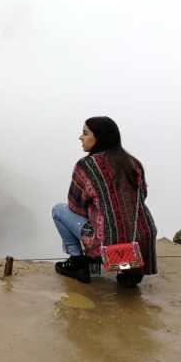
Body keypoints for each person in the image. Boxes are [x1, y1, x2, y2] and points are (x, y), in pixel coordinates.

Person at [52, 116, 157, 287]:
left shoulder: (86, 166)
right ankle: (129, 271)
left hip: (105, 243)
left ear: (98, 137)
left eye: (85, 133)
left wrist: (100, 213)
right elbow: (141, 196)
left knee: (58, 210)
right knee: (123, 225)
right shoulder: (133, 163)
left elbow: (76, 205)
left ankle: (78, 263)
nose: (81, 137)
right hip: (141, 239)